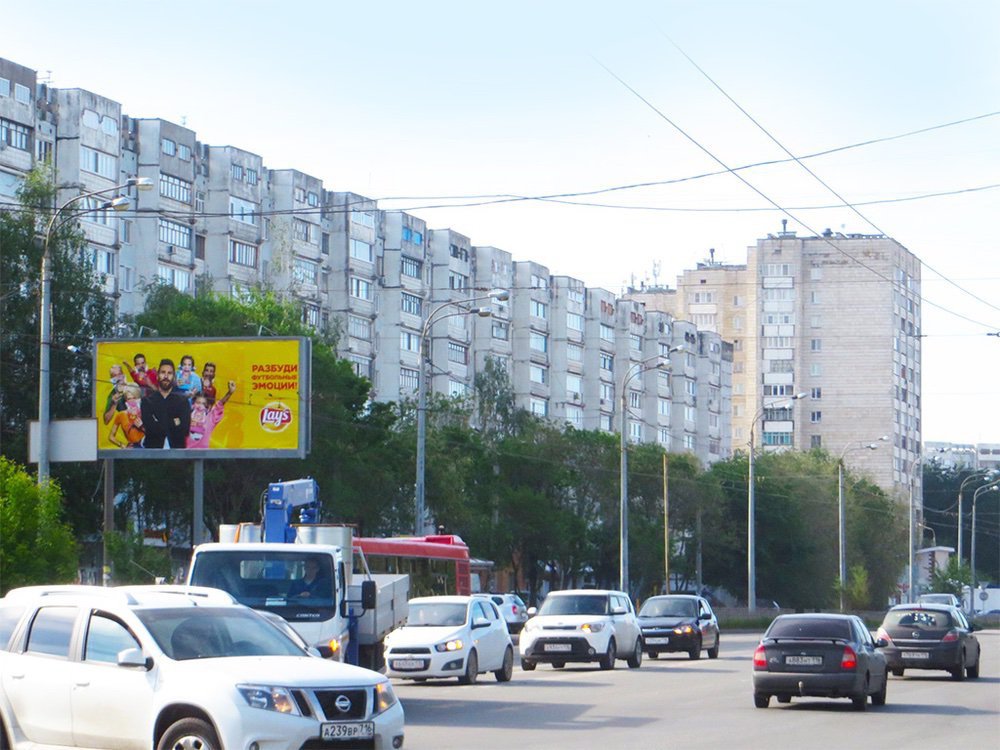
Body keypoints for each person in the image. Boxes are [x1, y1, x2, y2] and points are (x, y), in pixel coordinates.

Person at [140, 359, 191, 449]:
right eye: (163, 372)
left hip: (177, 456)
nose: (166, 376)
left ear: (174, 377)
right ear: (157, 376)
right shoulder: (147, 402)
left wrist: (158, 422)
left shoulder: (183, 401)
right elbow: (150, 429)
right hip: (153, 455)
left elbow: (184, 430)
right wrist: (174, 422)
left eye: (169, 373)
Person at [186, 381, 236, 449]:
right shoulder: (187, 415)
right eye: (198, 402)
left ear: (208, 407)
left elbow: (220, 405)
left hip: (204, 455)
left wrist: (229, 393)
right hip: (186, 454)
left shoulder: (211, 418)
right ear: (193, 404)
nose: (200, 406)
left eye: (203, 404)